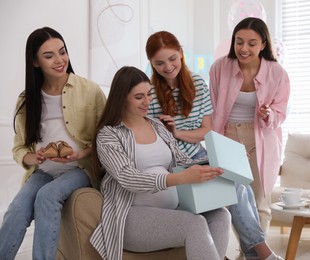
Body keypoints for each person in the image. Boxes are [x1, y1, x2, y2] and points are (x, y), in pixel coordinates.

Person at [146, 31, 283, 260]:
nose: (168, 67)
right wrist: (167, 134)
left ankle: (255, 253)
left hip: (198, 155)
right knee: (237, 188)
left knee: (241, 184)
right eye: (159, 63)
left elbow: (206, 130)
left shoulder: (197, 83)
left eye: (172, 59)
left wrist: (177, 132)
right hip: (174, 164)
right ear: (151, 63)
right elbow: (150, 140)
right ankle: (261, 252)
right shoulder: (149, 93)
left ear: (181, 54)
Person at [89, 66, 231, 260]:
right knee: (194, 223)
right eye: (139, 97)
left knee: (221, 215)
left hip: (173, 210)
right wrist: (178, 179)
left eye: (149, 94)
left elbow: (183, 161)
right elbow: (128, 177)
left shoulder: (157, 125)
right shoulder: (109, 135)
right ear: (122, 98)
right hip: (132, 218)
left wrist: (220, 161)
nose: (147, 101)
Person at [0, 27, 106, 260]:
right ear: (35, 62)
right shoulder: (27, 99)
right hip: (43, 170)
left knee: (47, 196)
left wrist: (80, 154)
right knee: (17, 210)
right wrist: (33, 157)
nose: (60, 60)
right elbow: (19, 148)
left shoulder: (90, 90)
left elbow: (107, 138)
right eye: (49, 56)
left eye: (62, 52)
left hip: (80, 169)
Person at [209, 17, 291, 235]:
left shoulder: (277, 73)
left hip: (260, 139)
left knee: (259, 202)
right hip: (227, 136)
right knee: (226, 201)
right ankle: (233, 251)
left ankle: (256, 255)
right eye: (239, 42)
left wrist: (269, 114)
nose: (244, 48)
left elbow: (281, 112)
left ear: (263, 44)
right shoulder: (219, 68)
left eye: (252, 43)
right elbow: (215, 106)